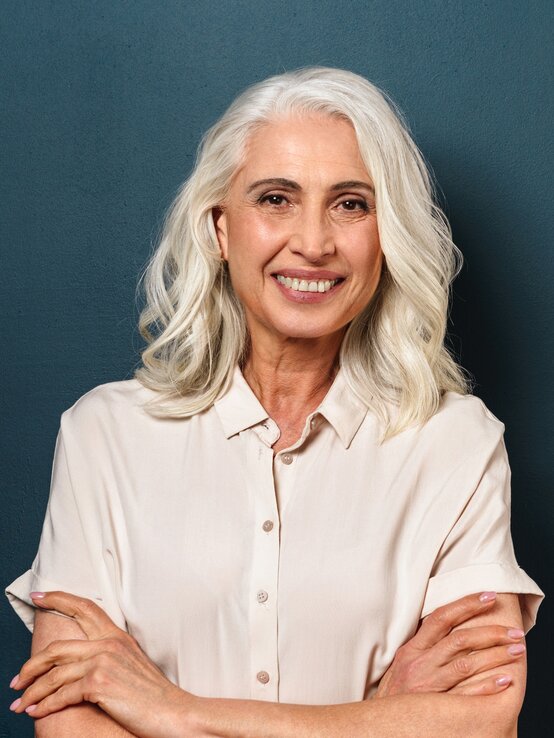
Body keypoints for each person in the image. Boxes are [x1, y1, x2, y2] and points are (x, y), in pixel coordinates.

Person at [5, 67, 543, 737]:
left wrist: (174, 712)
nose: (314, 243)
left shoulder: (456, 443)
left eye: (351, 203)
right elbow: (69, 723)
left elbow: (481, 721)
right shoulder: (104, 435)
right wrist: (379, 720)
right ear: (221, 229)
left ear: (387, 235)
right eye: (276, 199)